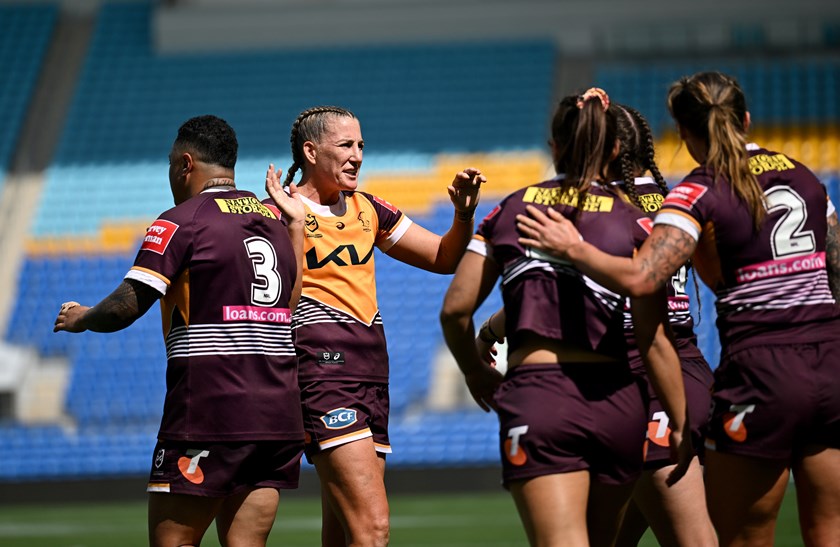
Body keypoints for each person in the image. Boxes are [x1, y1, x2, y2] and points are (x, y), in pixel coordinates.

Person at [517, 71, 840, 546]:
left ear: (685, 135)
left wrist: (573, 247)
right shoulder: (806, 176)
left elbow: (641, 278)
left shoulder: (695, 192)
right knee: (828, 531)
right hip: (825, 365)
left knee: (737, 537)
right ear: (745, 119)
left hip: (756, 374)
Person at [440, 88, 692, 546]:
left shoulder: (510, 209)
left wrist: (477, 372)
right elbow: (653, 338)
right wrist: (678, 419)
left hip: (544, 400)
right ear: (613, 149)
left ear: (554, 147)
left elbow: (455, 310)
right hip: (621, 406)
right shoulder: (634, 219)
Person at [54, 115, 307, 547]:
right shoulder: (273, 219)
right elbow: (292, 301)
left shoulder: (181, 220)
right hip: (277, 416)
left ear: (185, 164)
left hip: (210, 412)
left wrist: (81, 317)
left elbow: (127, 305)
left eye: (172, 163)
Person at [276, 105, 484, 547]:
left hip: (372, 379)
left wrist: (463, 216)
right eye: (346, 145)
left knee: (345, 533)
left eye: (361, 146)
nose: (357, 156)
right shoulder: (279, 213)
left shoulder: (368, 209)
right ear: (311, 151)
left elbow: (444, 257)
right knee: (373, 529)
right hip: (322, 375)